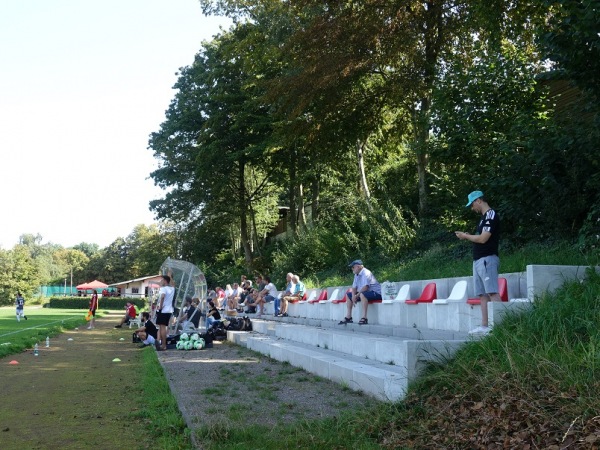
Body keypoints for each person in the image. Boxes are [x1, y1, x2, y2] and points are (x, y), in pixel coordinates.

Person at [455, 190, 501, 335]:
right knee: (482, 294)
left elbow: (483, 238)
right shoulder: (482, 218)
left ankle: (501, 326)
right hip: (478, 260)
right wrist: (468, 236)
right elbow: (479, 237)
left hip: (488, 259)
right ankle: (485, 326)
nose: (472, 208)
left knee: (492, 292)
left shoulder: (490, 215)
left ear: (478, 201)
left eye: (472, 204)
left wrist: (466, 237)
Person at [338, 260, 382, 325]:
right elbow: (354, 287)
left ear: (358, 266)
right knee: (348, 295)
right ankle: (348, 317)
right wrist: (353, 296)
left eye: (353, 267)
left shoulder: (366, 273)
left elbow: (366, 287)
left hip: (376, 293)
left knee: (362, 295)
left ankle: (364, 318)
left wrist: (357, 295)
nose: (352, 269)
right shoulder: (356, 274)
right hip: (365, 293)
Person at [156, 275, 175, 350]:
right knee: (164, 327)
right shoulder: (172, 289)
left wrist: (160, 307)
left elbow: (162, 297)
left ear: (165, 281)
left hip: (163, 310)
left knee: (162, 327)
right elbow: (173, 284)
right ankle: (162, 344)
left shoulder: (163, 289)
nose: (160, 281)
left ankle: (163, 345)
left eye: (162, 280)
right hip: (169, 310)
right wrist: (170, 276)